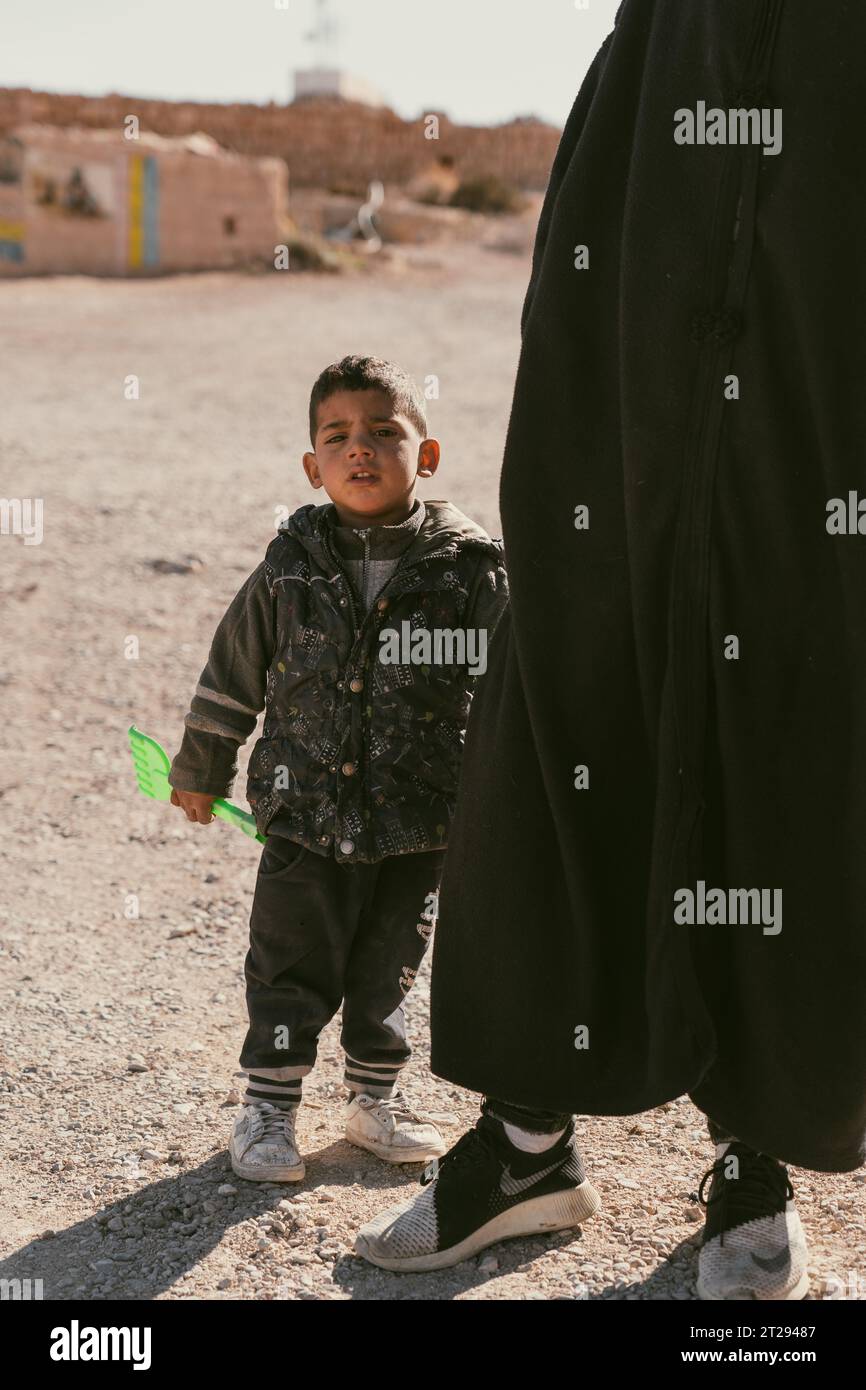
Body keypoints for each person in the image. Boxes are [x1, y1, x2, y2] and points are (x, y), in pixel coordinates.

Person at [356, 0, 866, 1299]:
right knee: (570, 700)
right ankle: (526, 1142)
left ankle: (753, 1168)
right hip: (658, 186)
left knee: (784, 730)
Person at [168, 355, 508, 1183]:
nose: (362, 449)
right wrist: (204, 763)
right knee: (289, 959)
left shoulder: (470, 569)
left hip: (417, 815)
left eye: (384, 432)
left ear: (425, 456)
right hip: (303, 809)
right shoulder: (289, 562)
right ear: (313, 466)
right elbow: (234, 667)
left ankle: (372, 1099)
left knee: (389, 963)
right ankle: (270, 1109)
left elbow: (513, 691)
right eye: (338, 436)